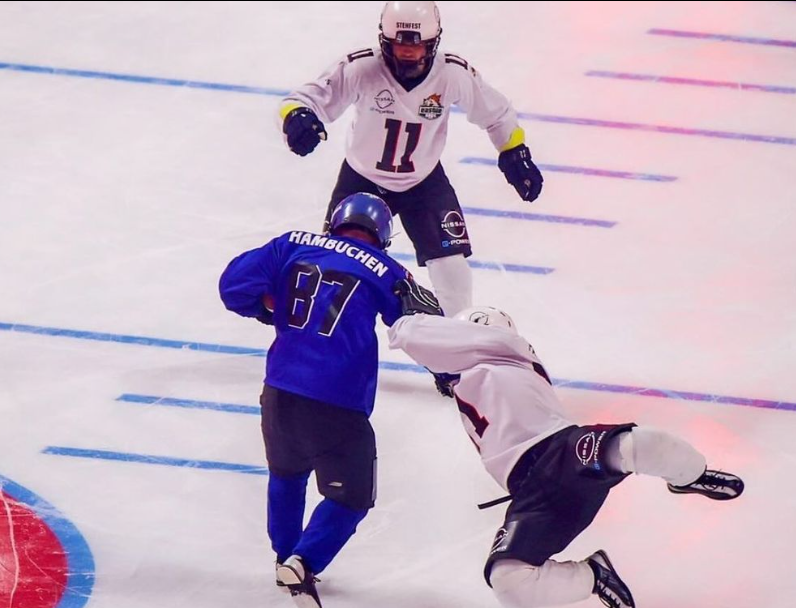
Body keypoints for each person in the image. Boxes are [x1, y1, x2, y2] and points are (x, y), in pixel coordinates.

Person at [387, 304, 745, 608]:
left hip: (560, 449)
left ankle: (690, 475)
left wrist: (402, 308)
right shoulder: (470, 371)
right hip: (530, 488)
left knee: (642, 444)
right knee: (508, 582)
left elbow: (408, 333)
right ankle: (592, 575)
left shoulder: (504, 347)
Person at [219, 192, 441, 608]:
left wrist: (269, 309)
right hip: (338, 400)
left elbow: (233, 287)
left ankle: (284, 556)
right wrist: (450, 372)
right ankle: (304, 560)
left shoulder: (291, 244)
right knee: (353, 496)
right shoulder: (385, 268)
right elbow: (425, 324)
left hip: (279, 390)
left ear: (333, 223)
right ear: (382, 235)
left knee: (286, 474)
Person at [278, 1, 544, 317]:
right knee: (337, 267)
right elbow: (303, 99)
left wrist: (514, 151)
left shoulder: (452, 75)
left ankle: (456, 345)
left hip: (423, 181)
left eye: (417, 46)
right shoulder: (361, 69)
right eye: (399, 45)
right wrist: (298, 118)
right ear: (384, 41)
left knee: (452, 268)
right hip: (362, 180)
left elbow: (497, 113)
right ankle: (326, 339)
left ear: (433, 44)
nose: (407, 54)